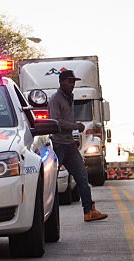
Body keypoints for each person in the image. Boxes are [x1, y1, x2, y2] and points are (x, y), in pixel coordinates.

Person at [48, 68, 108, 222]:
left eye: (73, 82)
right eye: (69, 81)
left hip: (69, 144)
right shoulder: (55, 99)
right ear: (61, 82)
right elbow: (56, 122)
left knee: (82, 176)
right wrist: (75, 126)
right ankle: (46, 213)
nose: (72, 85)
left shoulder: (69, 98)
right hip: (58, 144)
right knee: (50, 180)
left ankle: (89, 211)